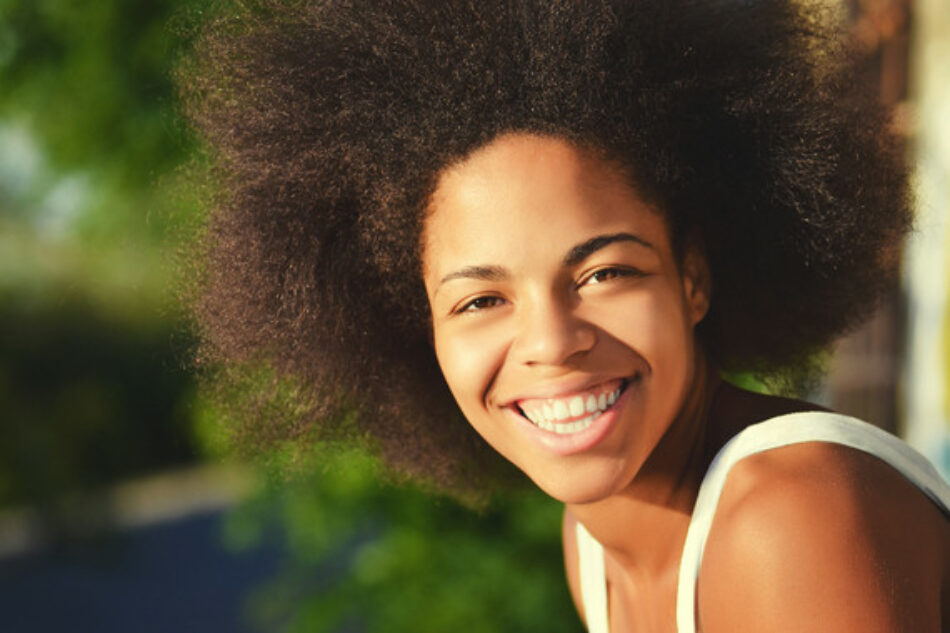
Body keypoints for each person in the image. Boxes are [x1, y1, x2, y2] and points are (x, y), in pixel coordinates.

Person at [180, 0, 950, 630]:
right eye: (481, 299)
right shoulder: (591, 541)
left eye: (604, 271)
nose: (552, 342)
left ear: (694, 278)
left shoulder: (792, 515)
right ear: (422, 328)